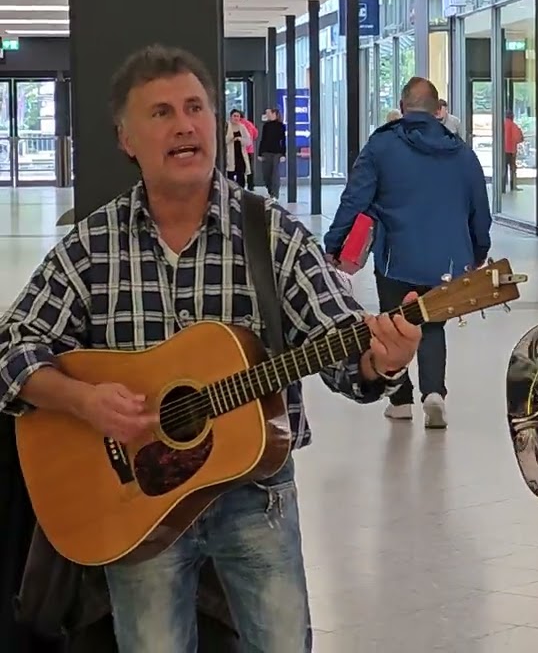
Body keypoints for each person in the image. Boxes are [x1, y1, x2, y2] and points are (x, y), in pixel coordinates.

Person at [0, 44, 423, 652]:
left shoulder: (271, 232)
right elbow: (12, 345)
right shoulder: (93, 246)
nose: (185, 125)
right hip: (137, 502)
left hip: (257, 495)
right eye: (162, 112)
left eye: (196, 107)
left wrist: (381, 358)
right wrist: (81, 399)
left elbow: (340, 344)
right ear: (127, 138)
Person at [324, 77, 491, 430]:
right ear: (438, 111)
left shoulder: (382, 146)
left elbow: (355, 199)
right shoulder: (462, 153)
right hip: (446, 262)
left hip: (395, 257)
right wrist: (478, 252)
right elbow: (480, 209)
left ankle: (400, 400)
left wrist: (334, 244)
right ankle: (434, 394)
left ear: (402, 108)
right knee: (433, 323)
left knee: (395, 324)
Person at [256, 107, 287, 198]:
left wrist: (283, 154)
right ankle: (270, 190)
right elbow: (263, 139)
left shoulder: (281, 126)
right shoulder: (266, 126)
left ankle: (275, 194)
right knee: (266, 174)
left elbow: (283, 141)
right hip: (266, 152)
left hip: (277, 152)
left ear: (274, 114)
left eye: (269, 113)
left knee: (275, 174)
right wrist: (260, 153)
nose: (267, 115)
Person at [225, 109, 252, 187]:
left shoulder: (242, 127)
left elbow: (248, 141)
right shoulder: (227, 126)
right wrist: (230, 138)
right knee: (230, 175)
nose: (236, 118)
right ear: (231, 117)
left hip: (240, 155)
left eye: (238, 116)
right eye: (234, 116)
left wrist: (240, 139)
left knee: (241, 176)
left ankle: (241, 192)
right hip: (230, 155)